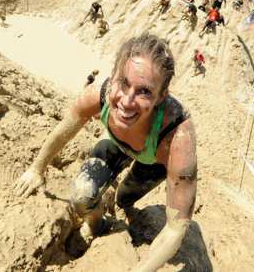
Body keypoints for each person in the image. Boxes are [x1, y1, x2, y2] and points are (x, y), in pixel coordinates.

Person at [14, 33, 196, 268]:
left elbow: (176, 227)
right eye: (124, 83)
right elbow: (63, 131)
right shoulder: (98, 95)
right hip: (117, 143)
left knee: (124, 198)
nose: (127, 101)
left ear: (162, 96)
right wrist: (36, 169)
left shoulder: (176, 136)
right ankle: (97, 225)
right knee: (82, 198)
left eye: (145, 91)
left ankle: (121, 204)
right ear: (113, 75)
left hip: (155, 160)